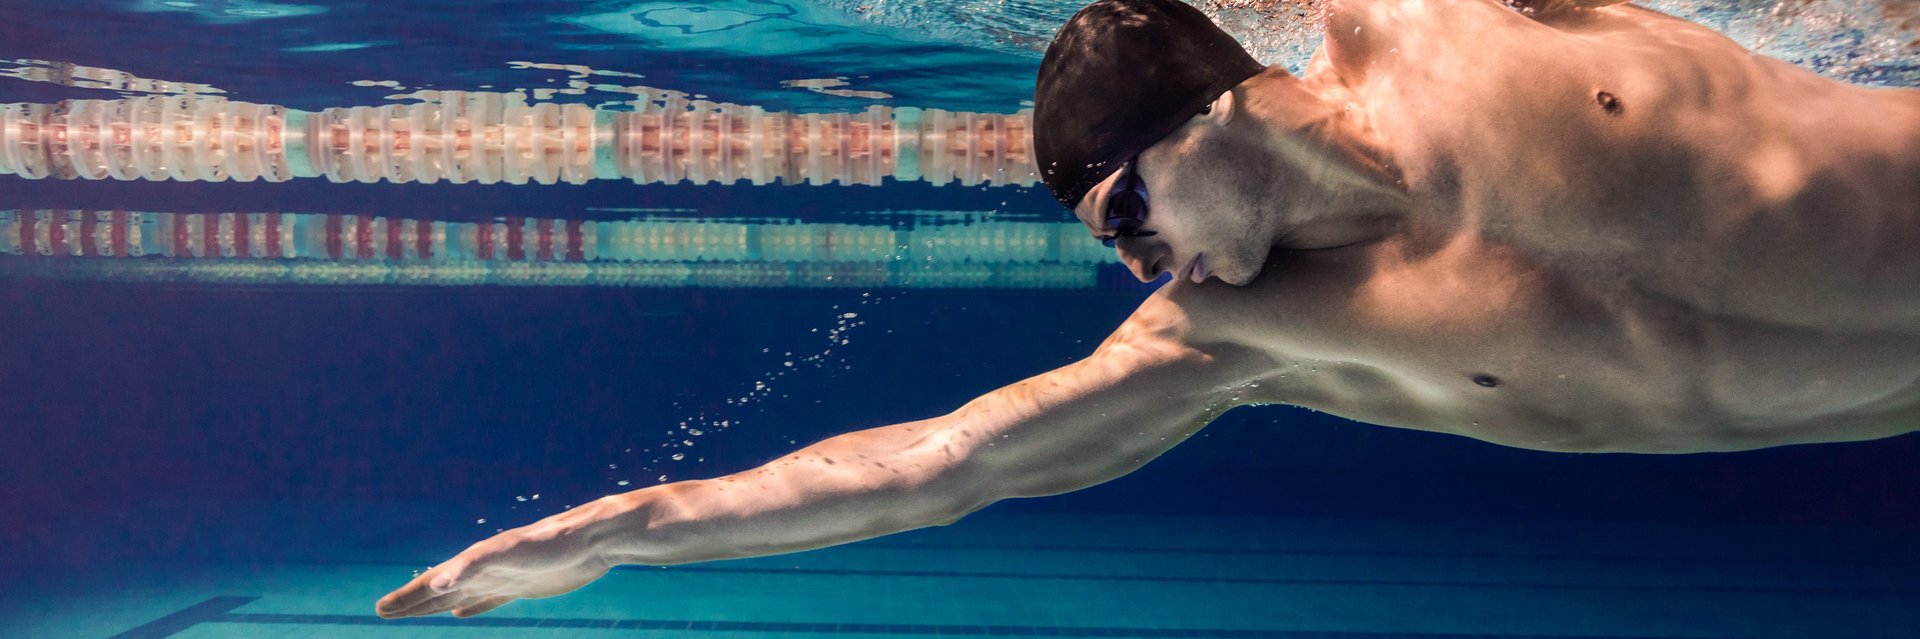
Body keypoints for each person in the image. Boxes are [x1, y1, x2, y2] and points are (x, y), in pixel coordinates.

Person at [377, 0, 1919, 619]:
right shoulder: (1237, 335)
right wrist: (620, 530)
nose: (1131, 265)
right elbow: (938, 466)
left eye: (1123, 215)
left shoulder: (1437, 34)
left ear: (1207, 121)